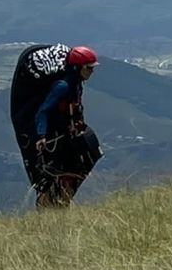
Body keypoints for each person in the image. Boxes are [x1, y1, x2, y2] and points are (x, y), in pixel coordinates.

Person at [9, 44, 102, 209]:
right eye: (88, 68)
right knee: (58, 172)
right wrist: (41, 135)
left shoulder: (74, 83)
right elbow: (43, 111)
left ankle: (58, 203)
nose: (91, 72)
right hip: (56, 137)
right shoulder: (63, 87)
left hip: (65, 133)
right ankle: (51, 205)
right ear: (77, 67)